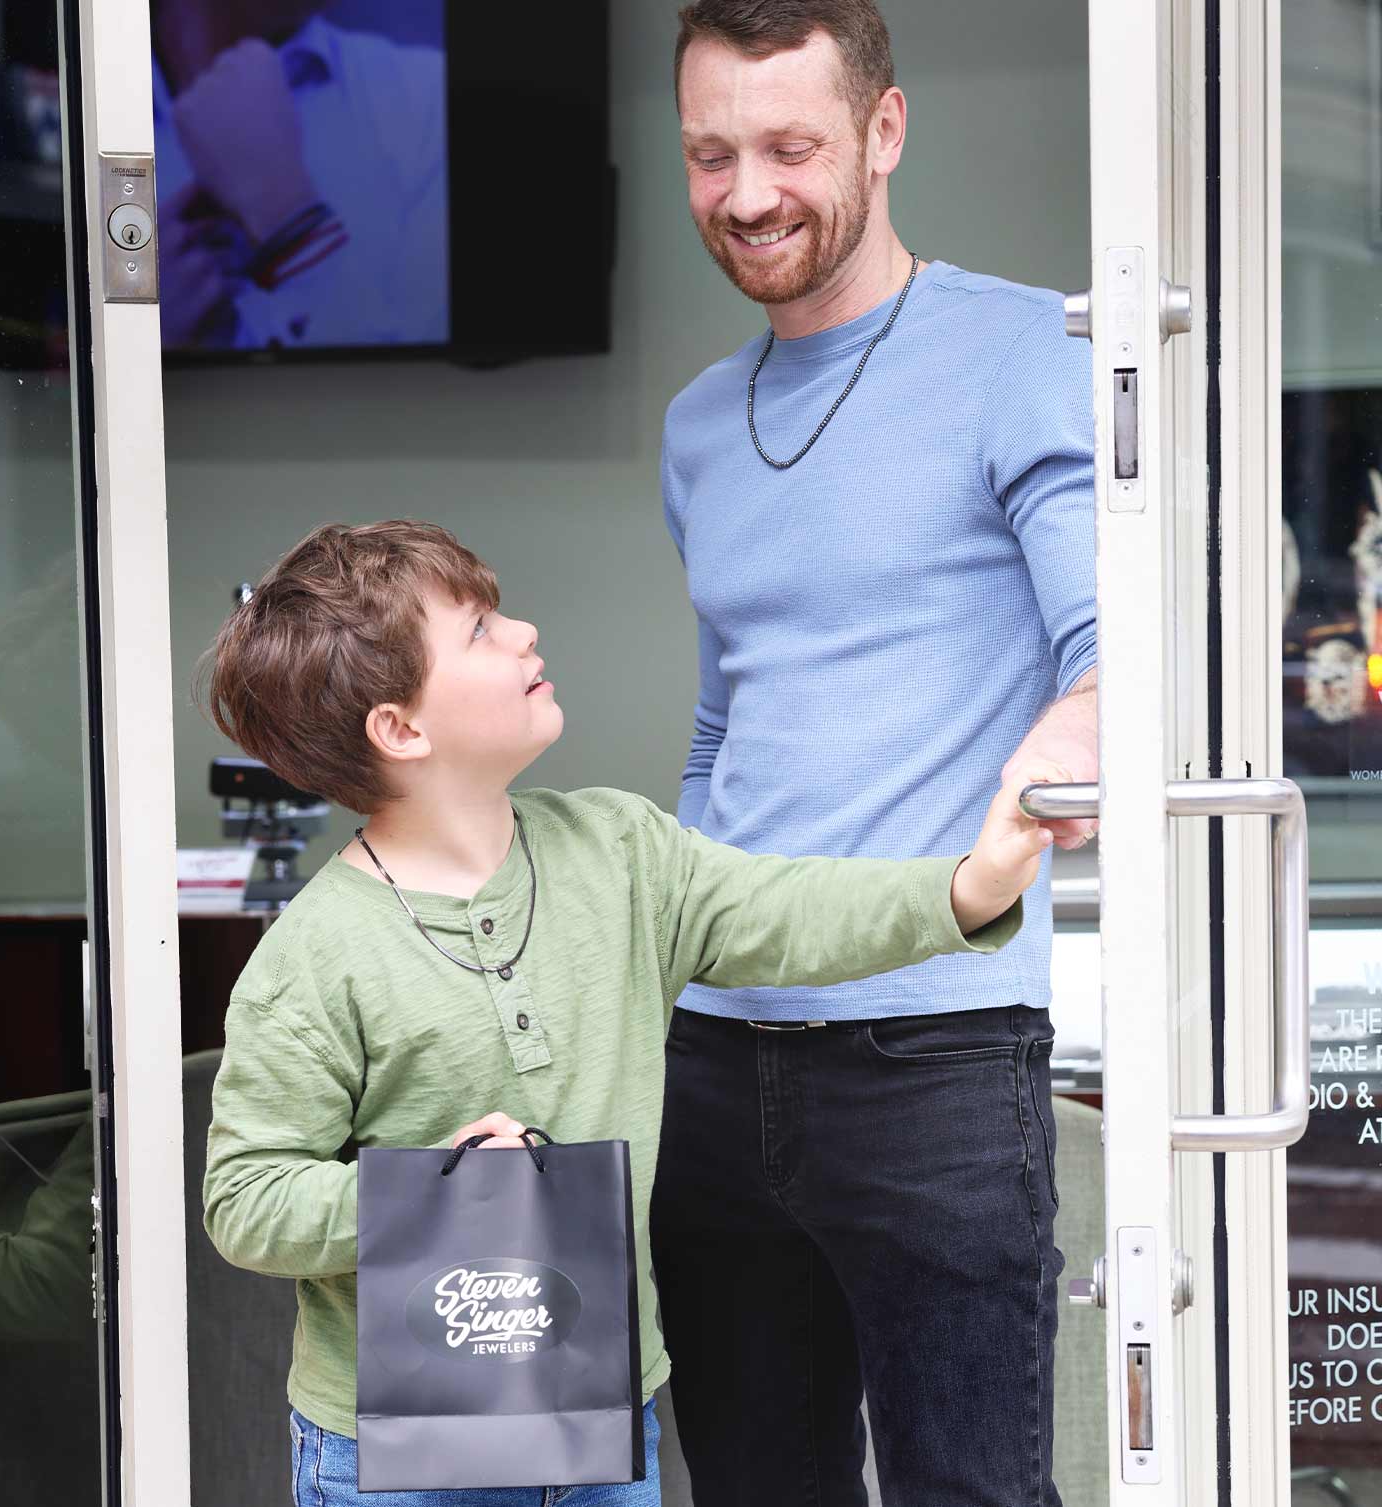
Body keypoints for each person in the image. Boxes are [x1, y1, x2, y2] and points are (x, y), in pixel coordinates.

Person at [197, 519, 1063, 1507]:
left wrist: (973, 884)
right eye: (480, 628)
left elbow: (790, 912)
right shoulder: (312, 953)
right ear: (401, 729)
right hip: (390, 1454)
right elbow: (246, 1199)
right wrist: (429, 1197)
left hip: (600, 1423)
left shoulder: (619, 848)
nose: (523, 630)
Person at [651, 4, 1099, 1505]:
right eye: (712, 154)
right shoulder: (701, 425)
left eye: (791, 146)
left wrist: (1074, 734)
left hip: (938, 1049)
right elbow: (729, 718)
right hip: (712, 1051)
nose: (749, 192)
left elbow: (1110, 649)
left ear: (885, 132)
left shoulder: (1025, 346)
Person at [151, 0, 448, 350]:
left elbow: (440, 394)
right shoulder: (81, 125)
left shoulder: (429, 103)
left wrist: (293, 226)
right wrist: (139, 346)